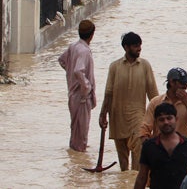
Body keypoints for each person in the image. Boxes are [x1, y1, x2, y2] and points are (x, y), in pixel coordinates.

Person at [99, 31, 159, 171]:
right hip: (117, 116)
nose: (139, 48)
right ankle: (124, 182)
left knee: (138, 153)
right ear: (126, 47)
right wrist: (103, 114)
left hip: (138, 117)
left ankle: (135, 181)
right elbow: (108, 93)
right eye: (135, 46)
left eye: (140, 45)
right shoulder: (115, 67)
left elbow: (153, 94)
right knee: (123, 160)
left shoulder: (145, 66)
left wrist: (158, 117)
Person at [134, 103, 187, 189]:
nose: (166, 122)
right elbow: (142, 177)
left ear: (176, 119)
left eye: (169, 118)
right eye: (161, 119)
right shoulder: (149, 146)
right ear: (156, 122)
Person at [58, 19, 96, 152]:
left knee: (76, 128)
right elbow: (78, 70)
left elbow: (62, 61)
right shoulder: (84, 51)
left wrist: (71, 76)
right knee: (82, 130)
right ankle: (79, 155)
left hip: (73, 93)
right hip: (81, 96)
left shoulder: (73, 47)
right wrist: (86, 88)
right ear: (92, 35)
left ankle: (75, 159)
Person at [139, 67, 187, 141]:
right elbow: (145, 129)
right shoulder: (155, 102)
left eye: (186, 83)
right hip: (160, 148)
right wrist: (149, 147)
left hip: (181, 148)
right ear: (172, 82)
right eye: (182, 83)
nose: (185, 86)